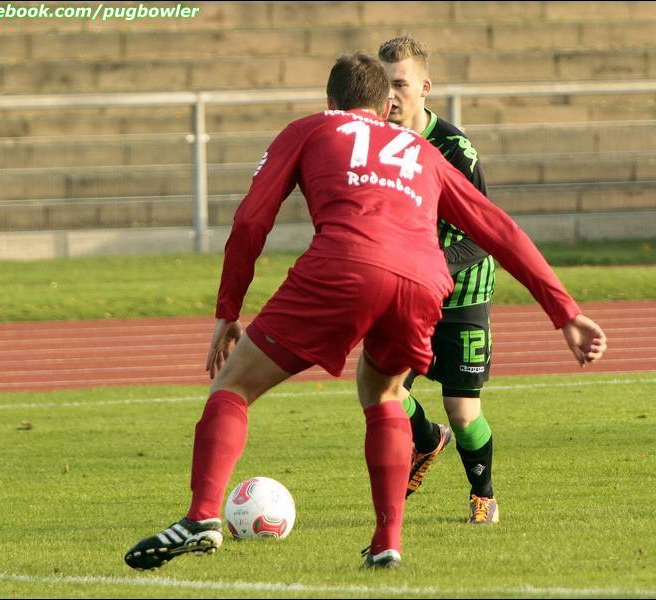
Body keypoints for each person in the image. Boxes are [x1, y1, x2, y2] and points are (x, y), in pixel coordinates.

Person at [124, 53, 606, 572]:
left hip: (344, 265)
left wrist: (228, 309)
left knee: (234, 386)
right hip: (423, 281)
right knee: (384, 395)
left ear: (331, 101)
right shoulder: (421, 151)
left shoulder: (310, 129)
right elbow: (499, 229)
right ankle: (386, 542)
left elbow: (250, 221)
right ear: (384, 105)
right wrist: (565, 312)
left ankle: (201, 516)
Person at [378, 35, 501, 524]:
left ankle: (484, 495)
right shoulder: (376, 143)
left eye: (400, 84)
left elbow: (483, 236)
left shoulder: (455, 150)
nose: (390, 96)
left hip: (462, 292)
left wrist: (428, 267)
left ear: (425, 88)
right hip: (409, 293)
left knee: (463, 412)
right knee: (384, 388)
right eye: (383, 85)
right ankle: (427, 440)